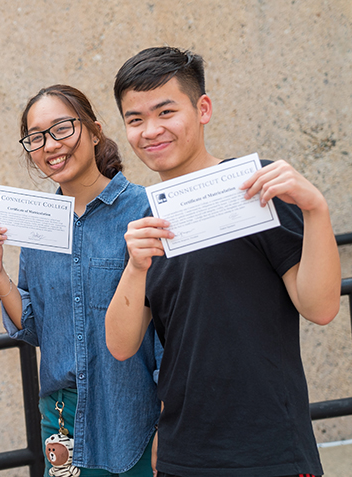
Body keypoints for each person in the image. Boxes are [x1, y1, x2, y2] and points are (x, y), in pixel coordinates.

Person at [106, 46, 341, 477]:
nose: (150, 130)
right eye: (135, 119)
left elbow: (321, 307)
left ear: (203, 109)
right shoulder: (146, 223)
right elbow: (121, 346)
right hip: (184, 453)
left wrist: (316, 210)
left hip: (271, 450)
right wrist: (135, 267)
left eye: (165, 112)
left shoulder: (258, 189)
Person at [0, 84, 160, 476]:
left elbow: (169, 330)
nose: (50, 145)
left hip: (132, 414)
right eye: (36, 137)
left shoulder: (143, 209)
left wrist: (169, 420)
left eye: (61, 128)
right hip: (61, 421)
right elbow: (39, 329)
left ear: (94, 132)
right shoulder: (39, 223)